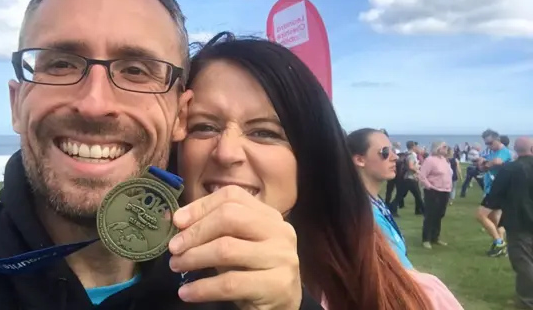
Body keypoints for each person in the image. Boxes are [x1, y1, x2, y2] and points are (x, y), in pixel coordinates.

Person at [0, 0, 315, 310]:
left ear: (180, 115)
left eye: (135, 70)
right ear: (17, 104)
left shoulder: (235, 289)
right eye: (60, 63)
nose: (95, 104)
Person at [177, 33, 462, 310]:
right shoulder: (141, 286)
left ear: (312, 156)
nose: (226, 153)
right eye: (204, 127)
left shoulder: (414, 298)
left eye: (264, 132)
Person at [347, 128, 412, 268]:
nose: (394, 157)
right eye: (385, 152)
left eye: (393, 150)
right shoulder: (364, 214)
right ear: (359, 160)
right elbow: (397, 270)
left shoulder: (372, 201)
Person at [483, 137, 533, 309]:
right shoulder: (511, 168)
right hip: (521, 219)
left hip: (519, 221)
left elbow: (495, 194)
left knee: (524, 262)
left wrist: (490, 207)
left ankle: (527, 301)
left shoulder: (510, 169)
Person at [476, 129, 512, 257]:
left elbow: (497, 162)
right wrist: (482, 164)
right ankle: (502, 247)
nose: (489, 146)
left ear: (498, 140)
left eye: (490, 143)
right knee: (494, 219)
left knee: (480, 215)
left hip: (497, 190)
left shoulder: (504, 152)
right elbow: (484, 167)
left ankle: (499, 243)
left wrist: (486, 163)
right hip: (491, 188)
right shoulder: (492, 152)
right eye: (486, 144)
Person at [418, 142, 453, 250]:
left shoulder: (444, 160)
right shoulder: (430, 160)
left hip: (445, 191)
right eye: (444, 146)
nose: (446, 148)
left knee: (439, 215)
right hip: (433, 191)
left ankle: (435, 237)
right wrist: (429, 186)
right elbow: (422, 175)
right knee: (430, 215)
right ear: (437, 148)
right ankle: (426, 239)